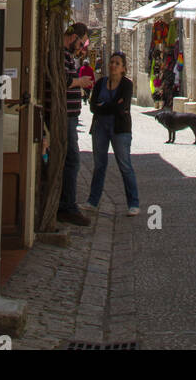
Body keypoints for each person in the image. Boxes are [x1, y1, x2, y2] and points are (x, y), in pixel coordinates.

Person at [84, 51, 140, 217]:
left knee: (125, 165)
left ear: (123, 68)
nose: (113, 65)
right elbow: (93, 106)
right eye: (112, 62)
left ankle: (133, 203)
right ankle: (93, 201)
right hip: (100, 127)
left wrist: (104, 106)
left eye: (117, 63)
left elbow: (121, 108)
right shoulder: (101, 82)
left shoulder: (126, 85)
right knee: (99, 165)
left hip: (120, 129)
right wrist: (111, 106)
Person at [57, 22, 94, 227]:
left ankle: (67, 205)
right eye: (81, 43)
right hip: (66, 116)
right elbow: (63, 79)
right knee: (72, 161)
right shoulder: (62, 54)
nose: (81, 48)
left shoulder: (67, 55)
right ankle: (67, 207)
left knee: (71, 160)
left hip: (70, 115)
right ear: (73, 37)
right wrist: (80, 82)